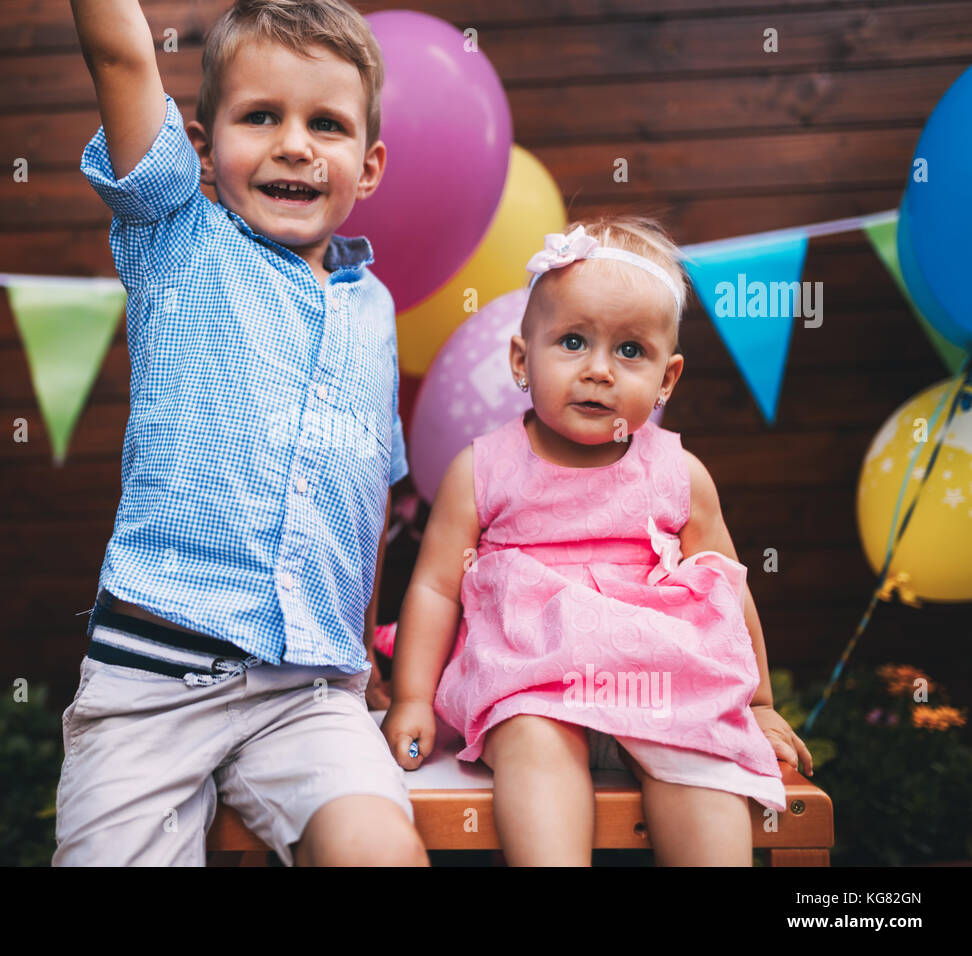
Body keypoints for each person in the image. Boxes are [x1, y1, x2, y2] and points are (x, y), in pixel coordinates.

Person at [53, 0, 428, 866]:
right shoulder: (177, 236)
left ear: (367, 166)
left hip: (308, 694)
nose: (294, 144)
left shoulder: (373, 310)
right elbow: (119, 56)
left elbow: (365, 496)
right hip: (152, 680)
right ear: (199, 144)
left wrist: (360, 661)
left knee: (383, 852)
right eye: (260, 116)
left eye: (325, 124)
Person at [381, 217, 814, 866]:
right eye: (574, 342)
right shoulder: (484, 469)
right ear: (522, 360)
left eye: (630, 352)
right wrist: (414, 699)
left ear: (667, 381)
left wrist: (757, 703)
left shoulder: (677, 475)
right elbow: (437, 585)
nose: (599, 371)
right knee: (534, 747)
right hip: (533, 683)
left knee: (703, 768)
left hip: (665, 687)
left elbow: (724, 586)